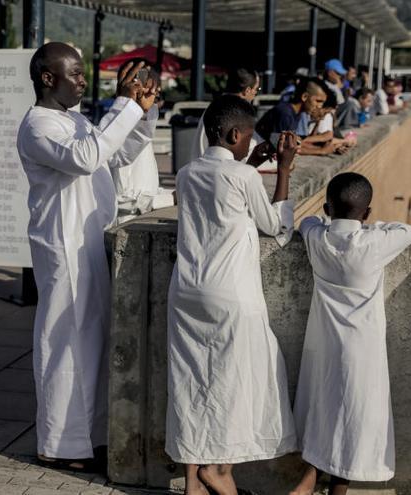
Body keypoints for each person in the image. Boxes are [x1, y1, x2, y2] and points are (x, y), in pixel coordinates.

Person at [16, 42, 158, 471]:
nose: (82, 81)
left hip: (87, 242)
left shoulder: (72, 119)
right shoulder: (38, 125)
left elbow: (115, 154)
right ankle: (57, 444)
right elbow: (86, 157)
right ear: (47, 78)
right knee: (65, 343)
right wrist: (123, 105)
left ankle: (81, 440)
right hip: (63, 246)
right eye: (75, 74)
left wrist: (141, 112)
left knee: (90, 341)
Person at [166, 95, 300, 495]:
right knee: (235, 382)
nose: (251, 143)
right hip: (231, 295)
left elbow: (221, 191)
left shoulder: (187, 173)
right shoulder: (243, 178)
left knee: (189, 383)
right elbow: (275, 226)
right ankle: (219, 471)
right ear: (236, 133)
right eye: (248, 137)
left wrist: (251, 162)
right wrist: (284, 169)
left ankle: (192, 480)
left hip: (187, 290)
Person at [290, 172, 411, 495]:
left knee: (325, 412)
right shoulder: (372, 244)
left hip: (324, 345)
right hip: (362, 350)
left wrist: (328, 221)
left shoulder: (318, 239)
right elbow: (410, 231)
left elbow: (306, 222)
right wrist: (369, 227)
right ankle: (329, 488)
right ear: (367, 213)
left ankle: (307, 482)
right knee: (353, 422)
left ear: (328, 208)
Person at [108, 59, 174, 224]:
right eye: (147, 92)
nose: (153, 102)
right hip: (124, 227)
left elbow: (147, 187)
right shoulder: (119, 131)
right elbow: (119, 200)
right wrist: (169, 199)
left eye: (156, 96)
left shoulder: (141, 128)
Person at [257, 79, 337, 156]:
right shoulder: (285, 113)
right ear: (304, 96)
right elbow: (284, 148)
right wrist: (321, 151)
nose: (320, 106)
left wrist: (327, 148)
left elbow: (297, 142)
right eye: (318, 101)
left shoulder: (297, 113)